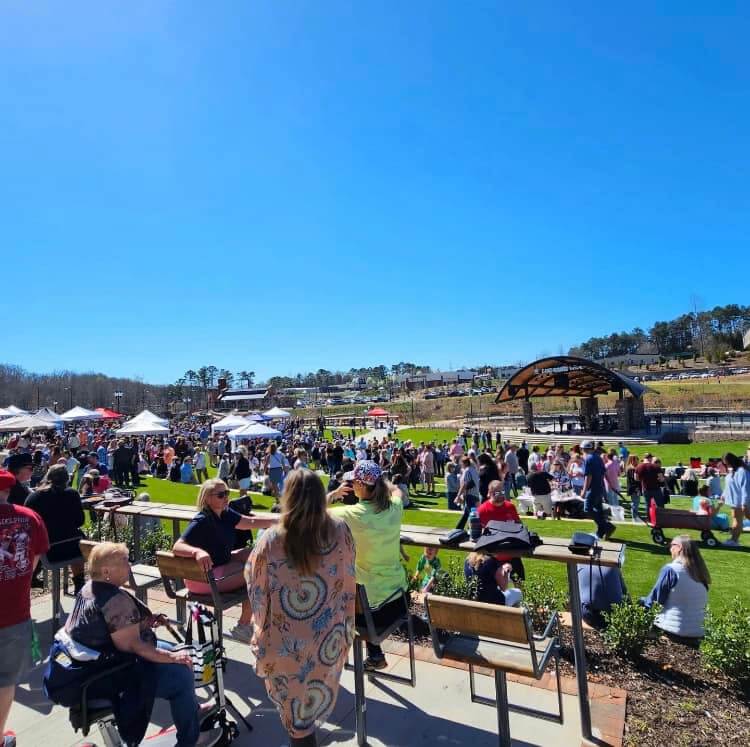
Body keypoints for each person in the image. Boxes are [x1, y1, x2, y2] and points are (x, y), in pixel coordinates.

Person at [44, 542, 221, 746]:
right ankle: (190, 740)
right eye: (124, 561)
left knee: (173, 651)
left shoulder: (89, 588)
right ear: (106, 571)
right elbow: (134, 647)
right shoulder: (114, 600)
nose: (130, 565)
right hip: (102, 675)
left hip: (89, 664)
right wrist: (173, 658)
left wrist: (146, 623)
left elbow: (110, 627)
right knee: (181, 674)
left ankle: (191, 712)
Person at [246, 469, 355, 747]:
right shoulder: (340, 530)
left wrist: (260, 626)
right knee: (307, 708)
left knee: (296, 717)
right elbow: (347, 579)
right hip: (327, 639)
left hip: (285, 643)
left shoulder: (271, 539)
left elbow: (257, 589)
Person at [172, 479, 276, 641]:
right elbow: (177, 546)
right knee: (255, 570)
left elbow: (250, 522)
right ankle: (243, 626)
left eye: (227, 493)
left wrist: (280, 521)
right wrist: (197, 552)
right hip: (202, 579)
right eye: (221, 495)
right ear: (207, 498)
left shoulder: (225, 514)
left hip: (215, 569)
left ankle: (257, 617)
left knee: (254, 555)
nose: (226, 497)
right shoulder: (202, 520)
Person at [328, 460, 406, 671]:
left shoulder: (351, 514)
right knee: (360, 587)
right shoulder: (395, 507)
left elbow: (309, 512)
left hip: (370, 611)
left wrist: (334, 494)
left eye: (353, 482)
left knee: (336, 590)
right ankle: (374, 653)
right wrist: (382, 482)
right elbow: (397, 490)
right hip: (399, 600)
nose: (351, 485)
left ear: (362, 486)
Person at [0, 469, 49, 747]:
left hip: (13, 612)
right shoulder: (29, 518)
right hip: (13, 611)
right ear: (8, 490)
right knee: (5, 679)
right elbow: (33, 562)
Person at [25, 465, 86, 593]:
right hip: (72, 548)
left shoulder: (34, 497)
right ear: (67, 479)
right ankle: (79, 583)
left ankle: (32, 577)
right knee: (77, 538)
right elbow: (80, 521)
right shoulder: (72, 494)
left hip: (47, 550)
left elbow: (28, 524)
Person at [640, 535, 710, 639]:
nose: (670, 549)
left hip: (674, 630)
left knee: (641, 602)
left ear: (679, 548)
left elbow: (655, 600)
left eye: (671, 545)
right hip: (699, 631)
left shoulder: (671, 570)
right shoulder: (700, 573)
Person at [477, 480, 525, 580]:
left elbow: (520, 527)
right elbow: (476, 535)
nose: (501, 495)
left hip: (512, 555)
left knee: (520, 586)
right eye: (497, 493)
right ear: (489, 493)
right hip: (492, 558)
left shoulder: (510, 507)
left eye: (502, 492)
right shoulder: (482, 510)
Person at [581, 440, 614, 540]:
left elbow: (588, 476)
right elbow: (604, 472)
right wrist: (610, 483)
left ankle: (607, 526)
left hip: (593, 489)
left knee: (587, 509)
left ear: (583, 449)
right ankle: (600, 532)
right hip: (600, 487)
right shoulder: (598, 458)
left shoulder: (588, 458)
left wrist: (584, 490)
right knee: (598, 510)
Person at [577, 563, 627, 629]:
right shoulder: (612, 562)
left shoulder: (579, 562)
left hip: (589, 614)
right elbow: (624, 592)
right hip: (615, 614)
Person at [720, 452, 750, 547]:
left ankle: (734, 540)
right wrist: (723, 495)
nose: (726, 465)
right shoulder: (733, 471)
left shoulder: (742, 471)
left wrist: (744, 503)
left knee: (738, 520)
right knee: (736, 519)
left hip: (740, 501)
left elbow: (745, 488)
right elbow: (729, 485)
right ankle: (733, 539)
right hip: (735, 501)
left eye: (726, 463)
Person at [454, 456, 481, 530]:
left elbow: (465, 485)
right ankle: (459, 529)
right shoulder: (474, 470)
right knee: (467, 514)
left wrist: (458, 495)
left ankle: (473, 531)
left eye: (461, 463)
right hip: (475, 495)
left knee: (472, 515)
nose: (460, 464)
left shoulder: (467, 471)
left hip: (470, 496)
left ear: (464, 463)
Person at [625, 455, 642, 523]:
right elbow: (634, 481)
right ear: (633, 460)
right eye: (636, 459)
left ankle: (635, 517)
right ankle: (634, 518)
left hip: (634, 488)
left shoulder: (631, 468)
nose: (638, 461)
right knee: (635, 503)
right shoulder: (632, 469)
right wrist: (637, 489)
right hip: (634, 489)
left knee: (636, 503)